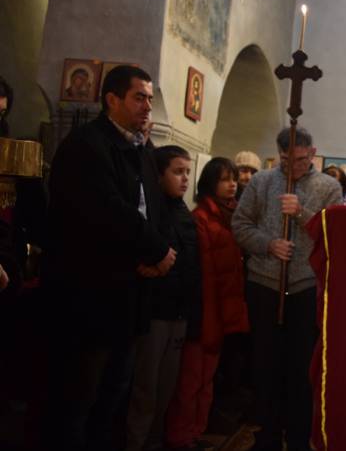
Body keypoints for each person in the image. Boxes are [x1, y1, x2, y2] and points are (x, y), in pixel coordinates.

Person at [43, 64, 176, 450]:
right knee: (78, 398)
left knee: (113, 396)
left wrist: (157, 253)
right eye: (139, 97)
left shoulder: (140, 149)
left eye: (150, 98)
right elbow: (108, 210)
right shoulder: (86, 145)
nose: (147, 106)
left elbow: (155, 208)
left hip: (127, 297)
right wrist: (156, 250)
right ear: (112, 99)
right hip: (89, 295)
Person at [232, 127, 341, 451]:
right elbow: (240, 224)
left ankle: (297, 439)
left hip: (306, 288)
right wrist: (268, 244)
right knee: (265, 366)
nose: (293, 167)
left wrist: (302, 214)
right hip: (264, 285)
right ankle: (266, 436)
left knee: (300, 370)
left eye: (301, 160)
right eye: (286, 160)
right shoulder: (261, 182)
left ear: (313, 153)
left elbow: (336, 235)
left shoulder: (328, 187)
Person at [166, 157, 249, 450]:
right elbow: (204, 276)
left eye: (233, 179)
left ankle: (196, 432)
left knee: (206, 379)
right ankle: (180, 436)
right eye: (225, 179)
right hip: (203, 312)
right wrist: (208, 317)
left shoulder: (230, 217)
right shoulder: (201, 218)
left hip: (220, 312)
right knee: (191, 380)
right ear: (210, 183)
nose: (232, 185)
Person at [126, 145, 202, 451]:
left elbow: (190, 263)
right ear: (158, 175)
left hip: (179, 311)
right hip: (155, 310)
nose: (185, 179)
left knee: (166, 386)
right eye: (177, 172)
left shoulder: (183, 212)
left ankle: (154, 442)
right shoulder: (150, 211)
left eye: (187, 172)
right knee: (145, 387)